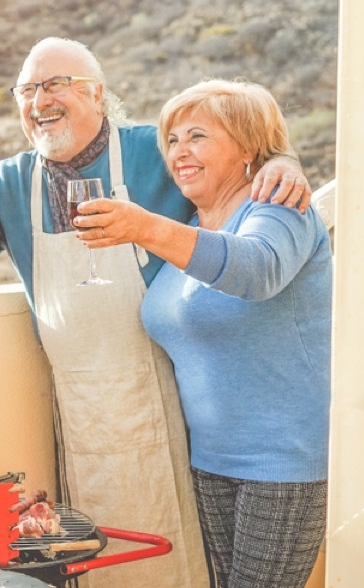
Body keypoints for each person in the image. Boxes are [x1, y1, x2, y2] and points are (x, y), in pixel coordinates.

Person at [0, 37, 311, 588]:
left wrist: (282, 161)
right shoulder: (9, 180)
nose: (39, 99)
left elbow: (223, 154)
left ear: (97, 95)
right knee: (100, 560)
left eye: (55, 84)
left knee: (175, 559)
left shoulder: (151, 149)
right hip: (77, 406)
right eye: (27, 89)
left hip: (166, 399)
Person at [75, 80, 331, 588]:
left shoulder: (280, 208)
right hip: (209, 461)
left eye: (198, 136)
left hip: (281, 462)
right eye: (173, 140)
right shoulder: (191, 225)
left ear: (247, 149)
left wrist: (145, 227)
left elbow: (256, 271)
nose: (180, 152)